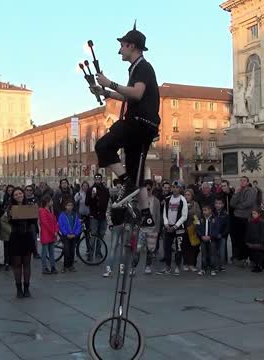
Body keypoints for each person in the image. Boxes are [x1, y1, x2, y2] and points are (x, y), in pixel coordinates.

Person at [90, 24, 160, 228]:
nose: (119, 50)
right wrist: (106, 93)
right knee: (136, 176)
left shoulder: (143, 67)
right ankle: (146, 214)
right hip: (139, 125)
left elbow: (136, 93)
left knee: (103, 146)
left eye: (122, 46)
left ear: (131, 46)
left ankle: (127, 183)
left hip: (139, 123)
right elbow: (129, 94)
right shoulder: (135, 68)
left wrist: (109, 82)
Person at [8, 188, 35, 298]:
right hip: (16, 237)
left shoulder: (29, 205)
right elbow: (10, 221)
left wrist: (32, 213)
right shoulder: (10, 207)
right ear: (13, 197)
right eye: (16, 194)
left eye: (20, 193)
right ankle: (19, 288)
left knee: (27, 263)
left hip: (27, 237)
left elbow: (33, 221)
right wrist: (13, 215)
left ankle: (27, 287)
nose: (19, 195)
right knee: (17, 264)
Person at [159, 181, 188, 275]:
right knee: (167, 247)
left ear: (180, 189)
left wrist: (175, 226)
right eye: (173, 187)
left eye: (177, 187)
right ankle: (167, 266)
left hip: (179, 227)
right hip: (168, 227)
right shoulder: (167, 199)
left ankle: (177, 266)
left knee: (179, 248)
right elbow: (164, 213)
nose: (175, 189)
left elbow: (184, 216)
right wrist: (166, 224)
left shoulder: (182, 200)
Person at [230, 176, 257, 265]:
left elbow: (249, 203)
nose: (242, 182)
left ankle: (250, 258)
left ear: (248, 182)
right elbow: (232, 203)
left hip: (246, 218)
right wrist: (236, 193)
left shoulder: (251, 190)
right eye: (241, 181)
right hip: (238, 218)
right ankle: (241, 258)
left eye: (244, 181)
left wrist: (238, 207)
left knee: (247, 239)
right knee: (239, 239)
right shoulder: (238, 190)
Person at [58, 198, 82, 273]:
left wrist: (75, 234)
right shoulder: (62, 215)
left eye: (71, 205)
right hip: (66, 236)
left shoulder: (75, 215)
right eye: (68, 205)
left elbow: (78, 225)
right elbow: (61, 225)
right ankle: (65, 266)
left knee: (72, 250)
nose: (70, 207)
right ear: (65, 206)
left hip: (73, 235)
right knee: (66, 250)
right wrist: (66, 233)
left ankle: (71, 265)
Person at [39, 196, 59, 275]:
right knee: (44, 252)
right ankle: (44, 268)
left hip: (51, 234)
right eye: (51, 201)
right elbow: (45, 223)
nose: (52, 202)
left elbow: (55, 221)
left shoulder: (51, 210)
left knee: (51, 252)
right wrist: (53, 232)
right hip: (46, 234)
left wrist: (56, 230)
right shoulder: (42, 211)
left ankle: (53, 267)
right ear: (47, 202)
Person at [196, 204, 218, 276]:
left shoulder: (215, 219)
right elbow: (197, 229)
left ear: (210, 211)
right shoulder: (200, 219)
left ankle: (213, 269)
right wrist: (201, 236)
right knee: (204, 255)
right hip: (203, 240)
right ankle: (203, 269)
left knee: (212, 255)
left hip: (212, 240)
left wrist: (210, 237)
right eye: (203, 210)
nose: (204, 212)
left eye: (205, 210)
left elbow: (216, 230)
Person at [244, 207, 264, 273]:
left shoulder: (262, 222)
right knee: (254, 254)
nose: (253, 215)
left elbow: (263, 232)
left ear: (259, 214)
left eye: (254, 213)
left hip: (259, 242)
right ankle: (256, 265)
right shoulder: (250, 222)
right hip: (252, 241)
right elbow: (248, 232)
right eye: (252, 214)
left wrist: (261, 241)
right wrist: (247, 240)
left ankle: (260, 266)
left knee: (259, 255)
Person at [183, 189, 201, 272]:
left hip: (192, 228)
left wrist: (192, 215)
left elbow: (198, 215)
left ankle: (192, 264)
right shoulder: (182, 203)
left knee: (194, 247)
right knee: (185, 247)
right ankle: (186, 263)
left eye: (188, 195)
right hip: (184, 228)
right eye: (185, 194)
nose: (187, 196)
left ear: (192, 196)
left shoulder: (195, 204)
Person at [213, 197, 230, 272]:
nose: (218, 205)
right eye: (216, 203)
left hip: (222, 236)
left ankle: (221, 265)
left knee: (222, 252)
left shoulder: (225, 214)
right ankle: (216, 266)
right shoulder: (212, 213)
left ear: (223, 205)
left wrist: (222, 234)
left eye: (220, 203)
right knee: (215, 251)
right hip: (213, 236)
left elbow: (227, 227)